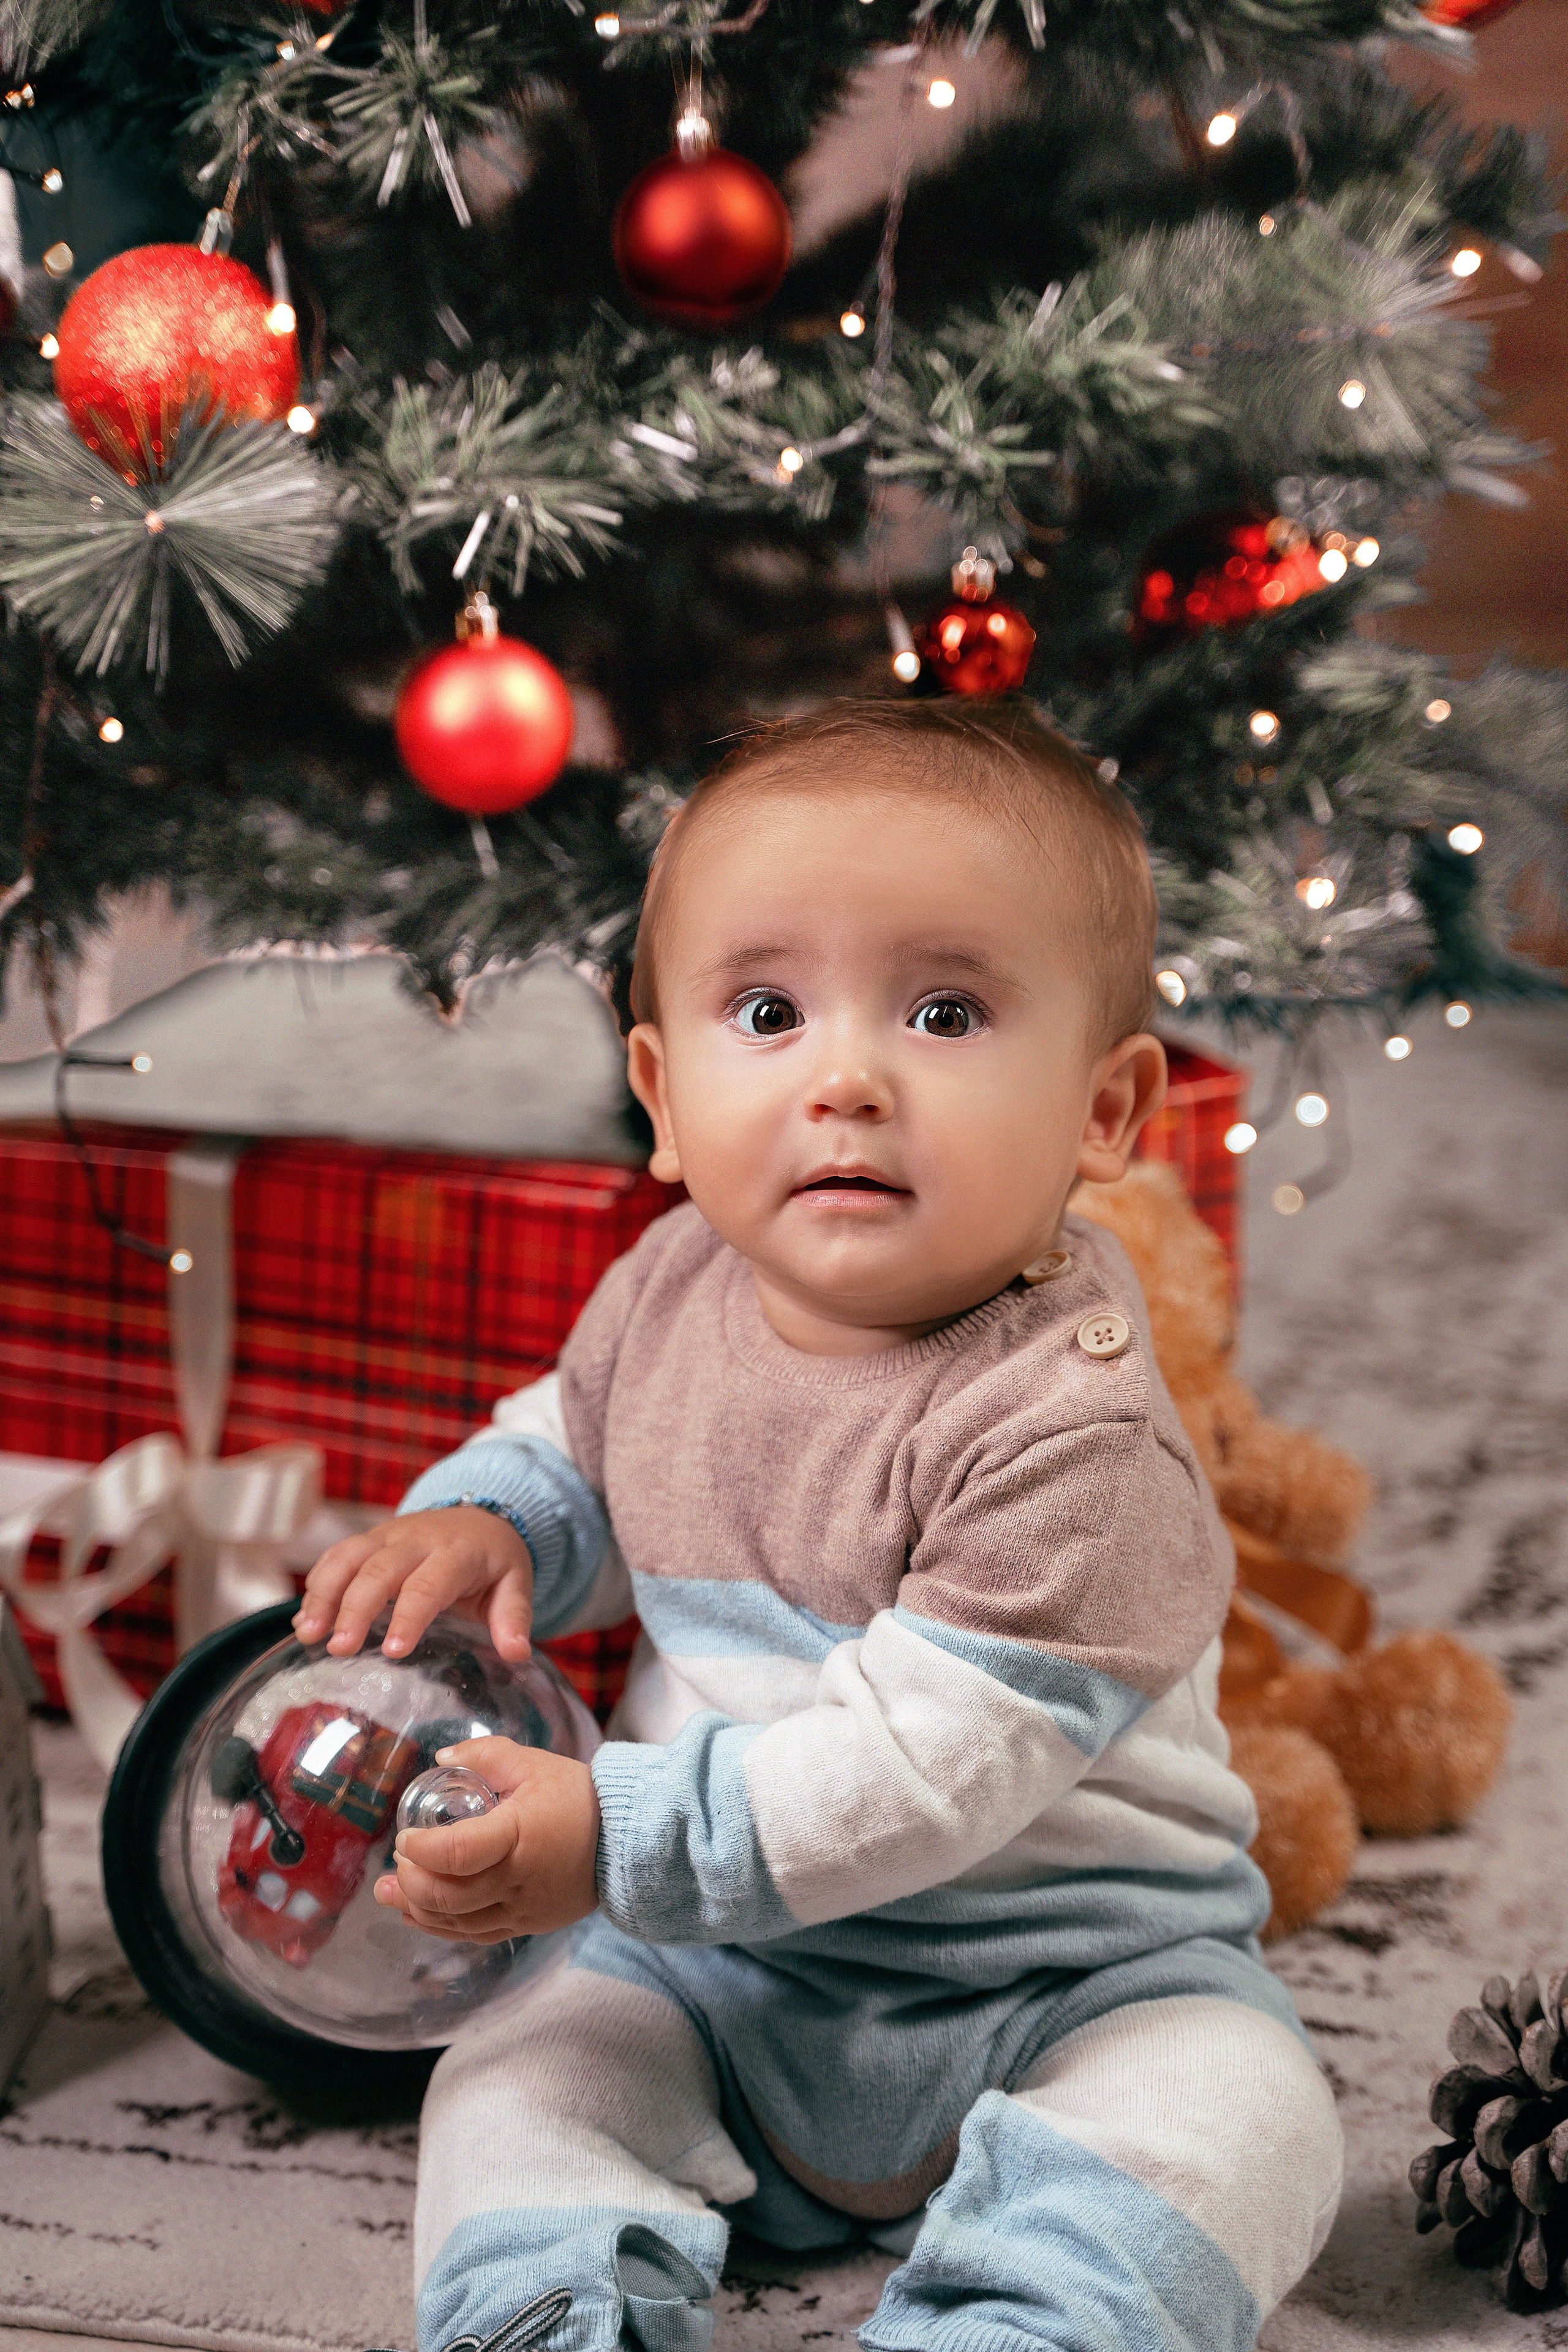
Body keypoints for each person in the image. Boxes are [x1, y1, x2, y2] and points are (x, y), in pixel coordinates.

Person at [295, 698, 1343, 2352]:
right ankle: (557, 2306)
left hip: (1063, 1983)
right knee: (523, 2066)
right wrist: (492, 1522)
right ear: (659, 1090)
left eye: (943, 1010)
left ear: (1104, 1111)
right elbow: (577, 1443)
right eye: (768, 1010)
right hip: (718, 1981)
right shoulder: (671, 1289)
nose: (845, 1077)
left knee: (1246, 2111)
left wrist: (614, 1840)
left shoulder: (1075, 1429)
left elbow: (920, 1774)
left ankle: (1033, 2316)